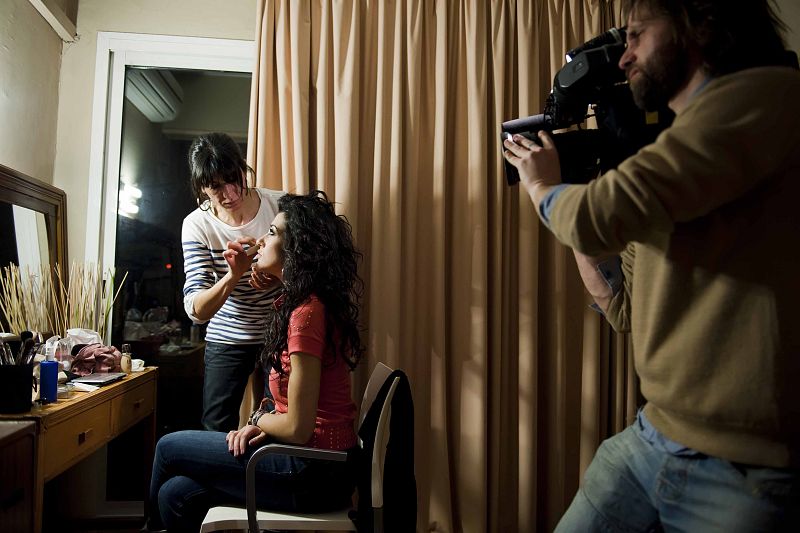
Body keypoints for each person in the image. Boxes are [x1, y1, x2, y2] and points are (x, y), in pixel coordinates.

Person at [504, 0, 799, 530]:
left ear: (698, 24)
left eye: (638, 34)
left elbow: (596, 216)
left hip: (746, 470)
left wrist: (544, 186)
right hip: (652, 435)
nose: (624, 57)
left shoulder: (764, 98)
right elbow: (626, 312)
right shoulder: (681, 156)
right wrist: (582, 205)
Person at [147, 190, 365, 532]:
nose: (261, 240)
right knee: (177, 494)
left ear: (298, 251)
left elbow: (297, 427)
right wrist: (263, 424)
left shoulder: (307, 316)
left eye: (274, 233)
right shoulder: (301, 304)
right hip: (314, 463)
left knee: (168, 446)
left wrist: (260, 419)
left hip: (313, 472)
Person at [182, 132, 282, 432]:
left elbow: (310, 272)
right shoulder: (197, 225)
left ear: (242, 167)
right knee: (216, 428)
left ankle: (261, 480)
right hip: (228, 333)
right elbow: (196, 310)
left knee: (274, 429)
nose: (230, 193)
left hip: (279, 332)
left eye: (233, 178)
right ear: (202, 188)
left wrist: (274, 273)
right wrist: (234, 274)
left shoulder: (278, 206)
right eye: (216, 187)